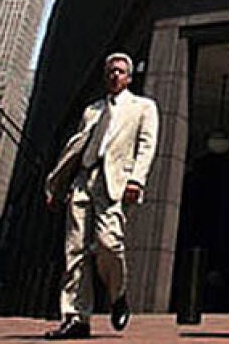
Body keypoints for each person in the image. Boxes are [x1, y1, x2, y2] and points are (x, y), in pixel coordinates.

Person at [43, 53, 159, 339]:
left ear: (129, 77)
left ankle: (117, 295)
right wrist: (58, 187)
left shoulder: (143, 107)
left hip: (116, 183)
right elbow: (74, 151)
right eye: (110, 72)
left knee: (109, 243)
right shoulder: (91, 111)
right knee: (74, 251)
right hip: (84, 180)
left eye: (120, 71)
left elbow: (146, 146)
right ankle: (76, 318)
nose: (114, 75)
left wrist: (137, 180)